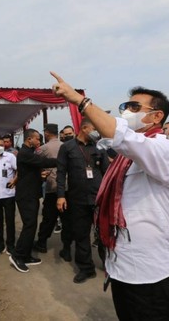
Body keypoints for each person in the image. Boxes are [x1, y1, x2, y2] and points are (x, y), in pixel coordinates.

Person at [51, 71, 169, 320]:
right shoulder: (126, 156)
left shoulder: (163, 149)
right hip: (122, 266)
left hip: (152, 272)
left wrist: (79, 100)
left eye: (135, 107)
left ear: (157, 116)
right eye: (126, 106)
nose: (127, 111)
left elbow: (119, 135)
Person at [56, 117, 109, 283]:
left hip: (99, 196)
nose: (97, 132)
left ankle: (110, 266)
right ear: (85, 128)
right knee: (81, 234)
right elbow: (61, 172)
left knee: (104, 234)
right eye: (95, 129)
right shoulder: (67, 147)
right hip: (77, 198)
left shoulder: (99, 147)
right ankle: (86, 268)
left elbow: (106, 171)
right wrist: (60, 196)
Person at [10, 129, 57, 273]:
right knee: (29, 225)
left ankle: (26, 255)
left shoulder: (29, 153)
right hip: (26, 195)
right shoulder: (24, 153)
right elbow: (43, 161)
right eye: (37, 139)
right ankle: (18, 256)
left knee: (32, 225)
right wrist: (61, 159)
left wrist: (40, 176)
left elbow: (33, 170)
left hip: (31, 194)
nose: (39, 141)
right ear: (29, 139)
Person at [34, 123, 63, 253]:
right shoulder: (66, 146)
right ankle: (66, 248)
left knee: (48, 218)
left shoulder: (43, 148)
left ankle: (42, 243)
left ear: (46, 133)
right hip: (67, 187)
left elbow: (33, 162)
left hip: (52, 186)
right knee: (67, 219)